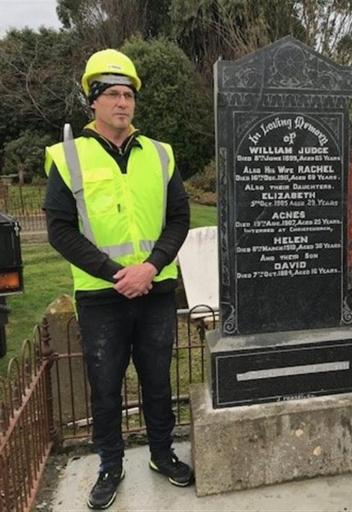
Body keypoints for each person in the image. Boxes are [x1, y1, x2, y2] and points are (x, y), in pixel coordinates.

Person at [43, 49, 192, 510]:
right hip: (100, 295)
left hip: (156, 288)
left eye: (128, 94)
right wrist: (115, 274)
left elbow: (179, 219)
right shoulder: (68, 157)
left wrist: (149, 267)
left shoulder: (160, 154)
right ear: (93, 102)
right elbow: (60, 229)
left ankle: (162, 454)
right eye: (111, 94)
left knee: (157, 380)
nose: (122, 103)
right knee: (105, 385)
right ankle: (110, 464)